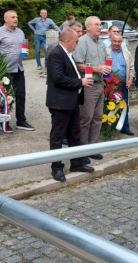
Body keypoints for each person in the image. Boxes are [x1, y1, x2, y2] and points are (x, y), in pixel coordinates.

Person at [46, 28, 95, 181]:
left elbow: (69, 74)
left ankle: (77, 162)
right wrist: (80, 82)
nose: (77, 44)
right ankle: (56, 167)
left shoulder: (68, 54)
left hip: (72, 100)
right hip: (60, 103)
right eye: (76, 41)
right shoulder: (55, 54)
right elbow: (58, 78)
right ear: (68, 41)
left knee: (75, 133)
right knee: (58, 136)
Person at [0, 10, 35, 133]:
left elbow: (23, 48)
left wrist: (25, 53)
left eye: (17, 17)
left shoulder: (20, 32)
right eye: (13, 17)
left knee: (21, 95)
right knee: (5, 97)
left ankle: (21, 121)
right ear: (6, 19)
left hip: (19, 68)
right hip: (4, 70)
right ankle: (4, 121)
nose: (16, 19)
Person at [74, 16, 110, 160]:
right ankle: (82, 151)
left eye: (100, 24)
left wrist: (104, 72)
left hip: (100, 84)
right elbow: (78, 64)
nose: (99, 27)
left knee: (97, 117)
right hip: (88, 85)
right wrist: (97, 68)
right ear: (88, 27)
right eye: (96, 25)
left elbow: (104, 63)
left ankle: (92, 147)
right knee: (86, 118)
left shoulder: (101, 43)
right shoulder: (82, 42)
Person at [106, 33, 135, 136]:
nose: (117, 44)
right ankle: (108, 128)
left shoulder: (126, 53)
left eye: (119, 41)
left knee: (124, 106)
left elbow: (132, 68)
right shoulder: (106, 53)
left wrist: (131, 79)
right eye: (115, 41)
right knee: (109, 105)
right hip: (110, 84)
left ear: (121, 42)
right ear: (111, 41)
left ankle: (125, 127)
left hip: (123, 83)